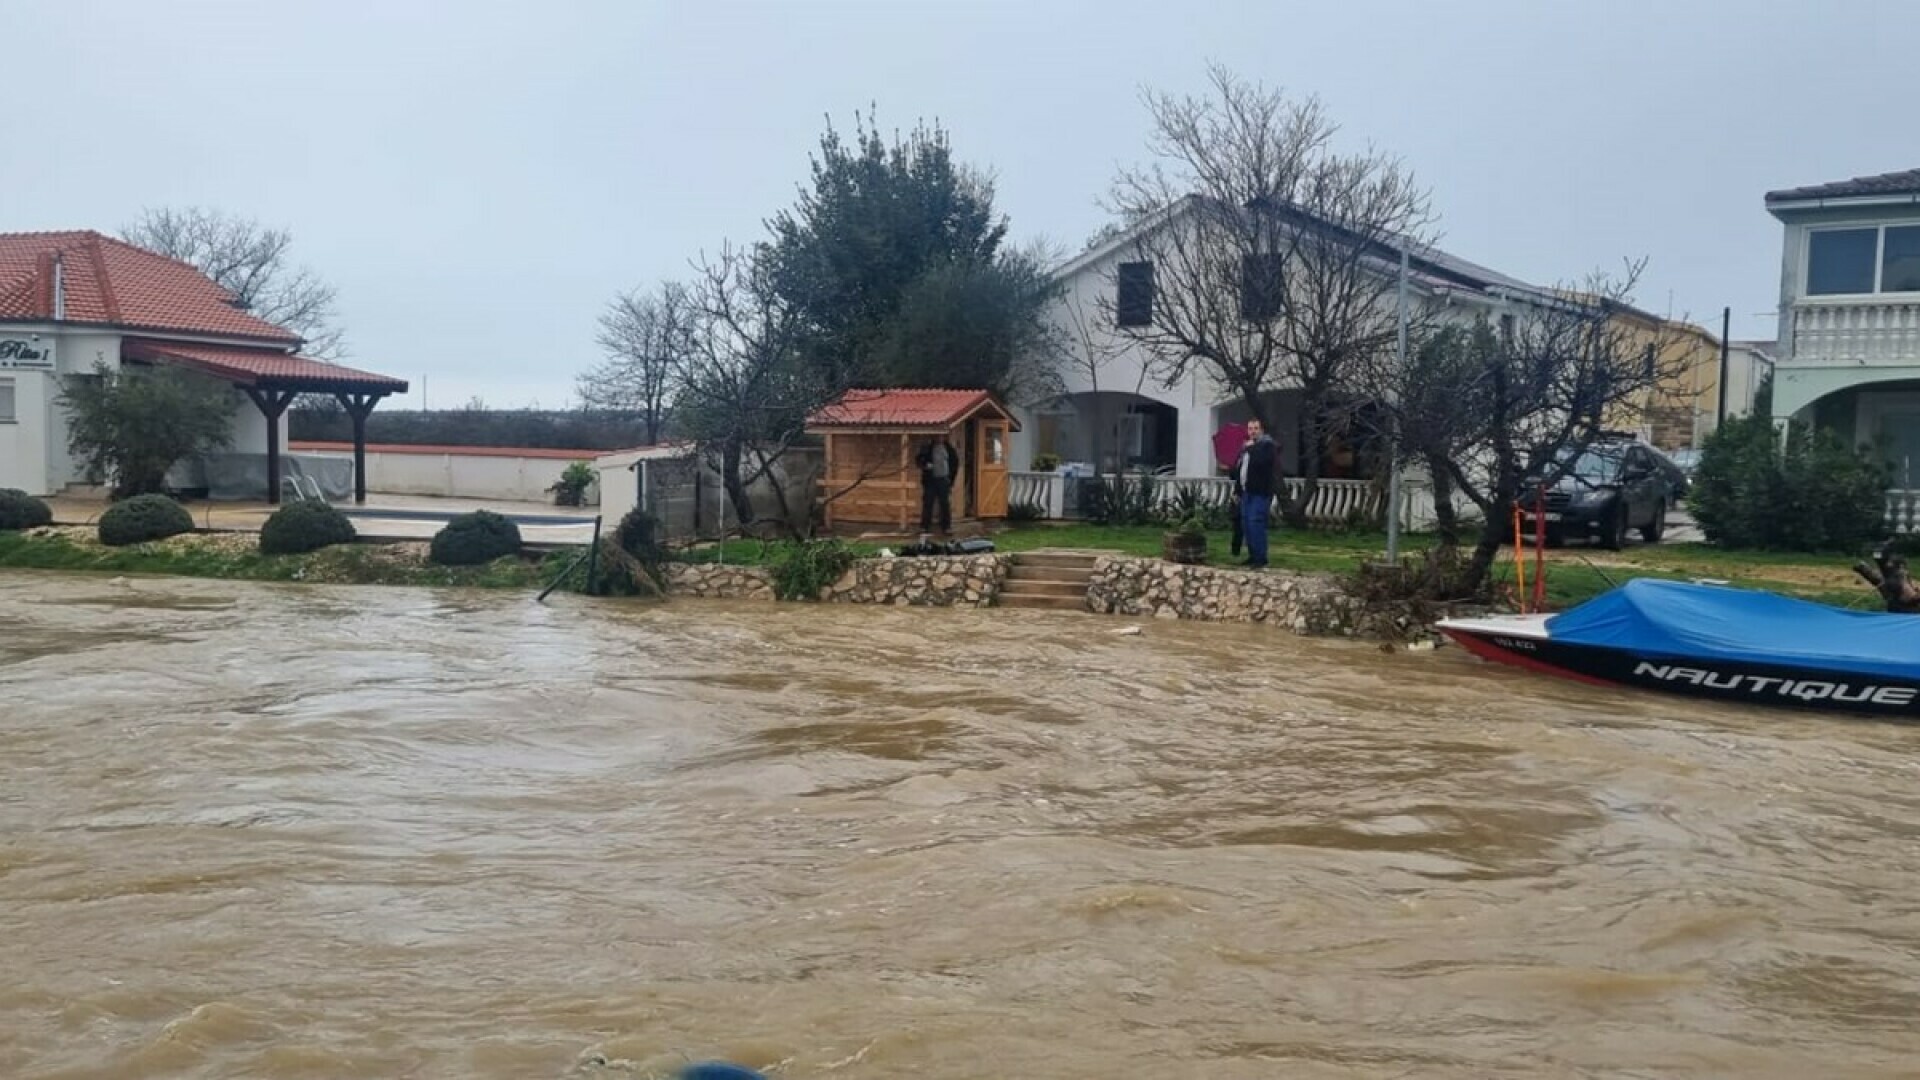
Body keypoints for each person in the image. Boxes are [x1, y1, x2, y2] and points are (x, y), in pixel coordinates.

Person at [1235, 418, 1280, 569]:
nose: (1252, 431)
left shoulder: (1267, 446)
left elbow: (1262, 462)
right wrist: (1237, 490)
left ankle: (1261, 558)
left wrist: (1250, 449)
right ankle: (1252, 555)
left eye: (1255, 428)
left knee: (1256, 523)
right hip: (1246, 492)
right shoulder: (1246, 448)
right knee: (1246, 524)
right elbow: (1241, 470)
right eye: (1250, 429)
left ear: (1261, 430)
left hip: (1260, 492)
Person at [916, 432, 961, 535]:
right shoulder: (927, 448)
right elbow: (918, 460)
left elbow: (955, 463)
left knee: (945, 504)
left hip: (944, 480)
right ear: (934, 437)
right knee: (928, 503)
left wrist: (951, 479)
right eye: (938, 436)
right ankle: (924, 527)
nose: (940, 438)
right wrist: (925, 465)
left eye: (942, 436)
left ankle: (946, 527)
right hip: (930, 480)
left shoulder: (948, 448)